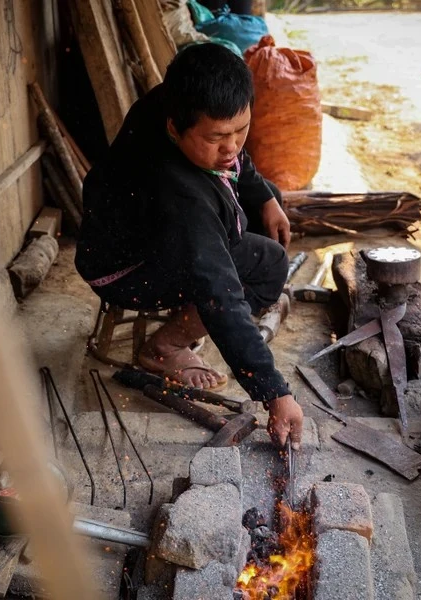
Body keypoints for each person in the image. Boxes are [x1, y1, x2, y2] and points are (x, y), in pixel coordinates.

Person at [75, 43, 303, 448]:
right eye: (217, 137)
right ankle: (165, 345)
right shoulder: (182, 193)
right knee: (268, 265)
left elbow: (235, 159)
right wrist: (274, 392)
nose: (231, 146)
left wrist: (266, 197)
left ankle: (183, 316)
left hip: (125, 234)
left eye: (241, 129)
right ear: (175, 129)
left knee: (262, 212)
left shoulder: (176, 100)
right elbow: (220, 291)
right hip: (125, 269)